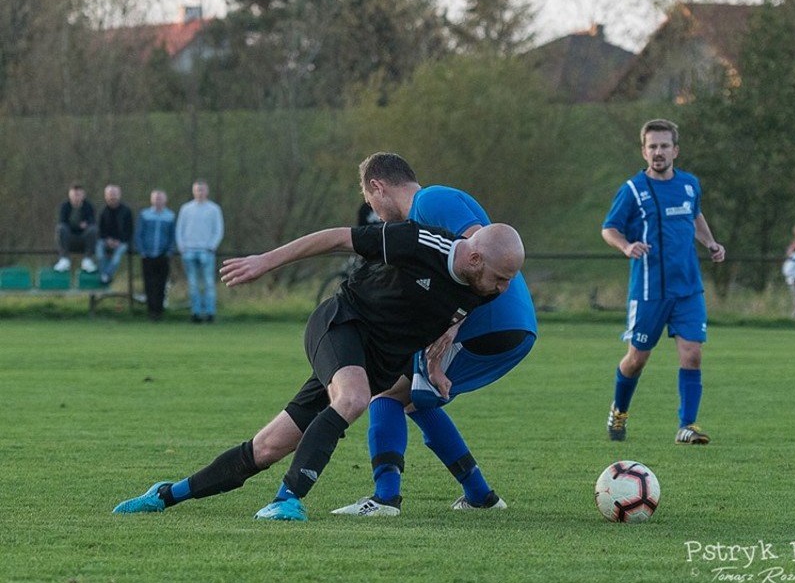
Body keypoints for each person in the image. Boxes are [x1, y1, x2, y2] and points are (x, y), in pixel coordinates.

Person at [113, 168, 525, 521]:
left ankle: (167, 494)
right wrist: (265, 261)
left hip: (379, 360)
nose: (505, 289)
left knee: (266, 448)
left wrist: (435, 368)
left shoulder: (483, 286)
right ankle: (286, 501)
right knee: (354, 399)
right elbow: (335, 239)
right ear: (474, 259)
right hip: (342, 324)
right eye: (501, 278)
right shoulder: (419, 241)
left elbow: (447, 321)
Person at [332, 154, 537, 517]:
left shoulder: (432, 201)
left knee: (387, 394)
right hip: (508, 326)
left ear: (378, 187)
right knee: (416, 398)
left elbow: (480, 252)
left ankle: (384, 499)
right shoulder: (422, 221)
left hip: (489, 323)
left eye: (370, 204)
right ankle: (480, 496)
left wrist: (455, 320)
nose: (376, 216)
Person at [601, 118, 726, 444]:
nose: (658, 152)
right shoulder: (632, 190)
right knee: (636, 360)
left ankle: (687, 425)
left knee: (692, 355)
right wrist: (626, 245)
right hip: (648, 291)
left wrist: (710, 243)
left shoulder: (689, 184)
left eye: (664, 146)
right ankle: (619, 411)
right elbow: (609, 228)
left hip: (687, 288)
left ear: (675, 150)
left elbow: (694, 215)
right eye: (652, 146)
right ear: (644, 151)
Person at [176, 179, 224, 323]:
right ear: (193, 191)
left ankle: (210, 313)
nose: (200, 192)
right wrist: (182, 246)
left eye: (202, 189)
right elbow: (180, 229)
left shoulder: (214, 209)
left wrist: (212, 246)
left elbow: (218, 230)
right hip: (189, 251)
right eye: (197, 190)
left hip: (206, 251)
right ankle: (195, 313)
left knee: (208, 283)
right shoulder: (186, 209)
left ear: (207, 191)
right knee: (193, 284)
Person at [134, 189, 176, 320]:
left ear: (165, 200)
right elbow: (139, 234)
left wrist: (169, 251)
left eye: (160, 198)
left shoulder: (170, 216)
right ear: (151, 200)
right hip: (147, 255)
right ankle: (151, 310)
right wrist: (142, 251)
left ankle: (159, 311)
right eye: (156, 198)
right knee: (149, 284)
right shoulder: (145, 214)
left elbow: (172, 236)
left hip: (163, 255)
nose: (158, 200)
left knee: (161, 284)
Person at [54, 183, 98, 273]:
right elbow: (62, 222)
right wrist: (78, 226)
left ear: (83, 195)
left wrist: (81, 226)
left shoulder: (89, 206)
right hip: (69, 238)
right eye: (74, 195)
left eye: (78, 195)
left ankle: (87, 260)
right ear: (69, 195)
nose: (76, 197)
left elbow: (91, 222)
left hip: (84, 238)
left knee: (93, 230)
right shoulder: (64, 207)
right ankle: (64, 259)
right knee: (61, 228)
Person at [95, 185, 134, 284]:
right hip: (105, 240)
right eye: (110, 194)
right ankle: (105, 276)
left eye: (114, 194)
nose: (112, 197)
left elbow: (129, 230)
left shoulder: (126, 211)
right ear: (105, 196)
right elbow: (99, 230)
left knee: (116, 258)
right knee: (99, 253)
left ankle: (106, 275)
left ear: (119, 195)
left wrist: (119, 241)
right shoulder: (102, 211)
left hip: (122, 241)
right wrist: (108, 240)